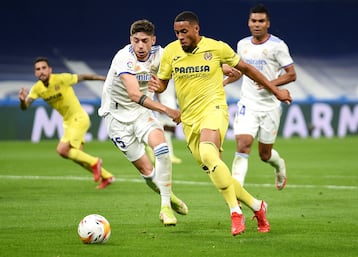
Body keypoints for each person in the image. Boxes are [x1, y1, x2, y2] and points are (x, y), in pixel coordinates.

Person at [149, 11, 292, 236]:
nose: (180, 37)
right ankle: (257, 206)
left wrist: (276, 90)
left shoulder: (216, 48)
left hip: (214, 111)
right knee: (215, 168)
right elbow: (163, 85)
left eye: (184, 32)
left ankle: (235, 213)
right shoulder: (171, 52)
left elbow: (247, 70)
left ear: (196, 29)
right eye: (177, 33)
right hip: (189, 120)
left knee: (208, 154)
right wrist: (156, 86)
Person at [98, 19, 188, 226]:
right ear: (131, 40)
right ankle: (170, 196)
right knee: (148, 173)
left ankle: (165, 207)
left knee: (162, 149)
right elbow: (133, 94)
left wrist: (223, 68)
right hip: (116, 119)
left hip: (141, 114)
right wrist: (167, 110)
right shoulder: (123, 58)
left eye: (144, 41)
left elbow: (186, 64)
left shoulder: (161, 54)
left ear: (152, 41)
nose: (140, 45)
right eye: (136, 40)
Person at [18, 57, 115, 189]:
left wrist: (105, 79)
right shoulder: (37, 88)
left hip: (78, 118)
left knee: (62, 150)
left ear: (50, 70)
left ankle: (95, 161)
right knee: (76, 156)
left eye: (44, 68)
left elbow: (85, 77)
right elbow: (25, 106)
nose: (41, 71)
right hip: (68, 122)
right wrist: (22, 101)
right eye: (38, 69)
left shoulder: (61, 79)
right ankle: (107, 176)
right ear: (35, 73)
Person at [230, 4, 296, 190]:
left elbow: (291, 74)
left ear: (268, 23)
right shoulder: (242, 44)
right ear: (248, 23)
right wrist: (225, 81)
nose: (257, 24)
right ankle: (237, 192)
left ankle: (279, 165)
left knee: (264, 155)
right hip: (247, 104)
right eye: (254, 21)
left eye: (261, 21)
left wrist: (270, 84)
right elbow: (240, 70)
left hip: (270, 106)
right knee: (243, 145)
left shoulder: (278, 46)